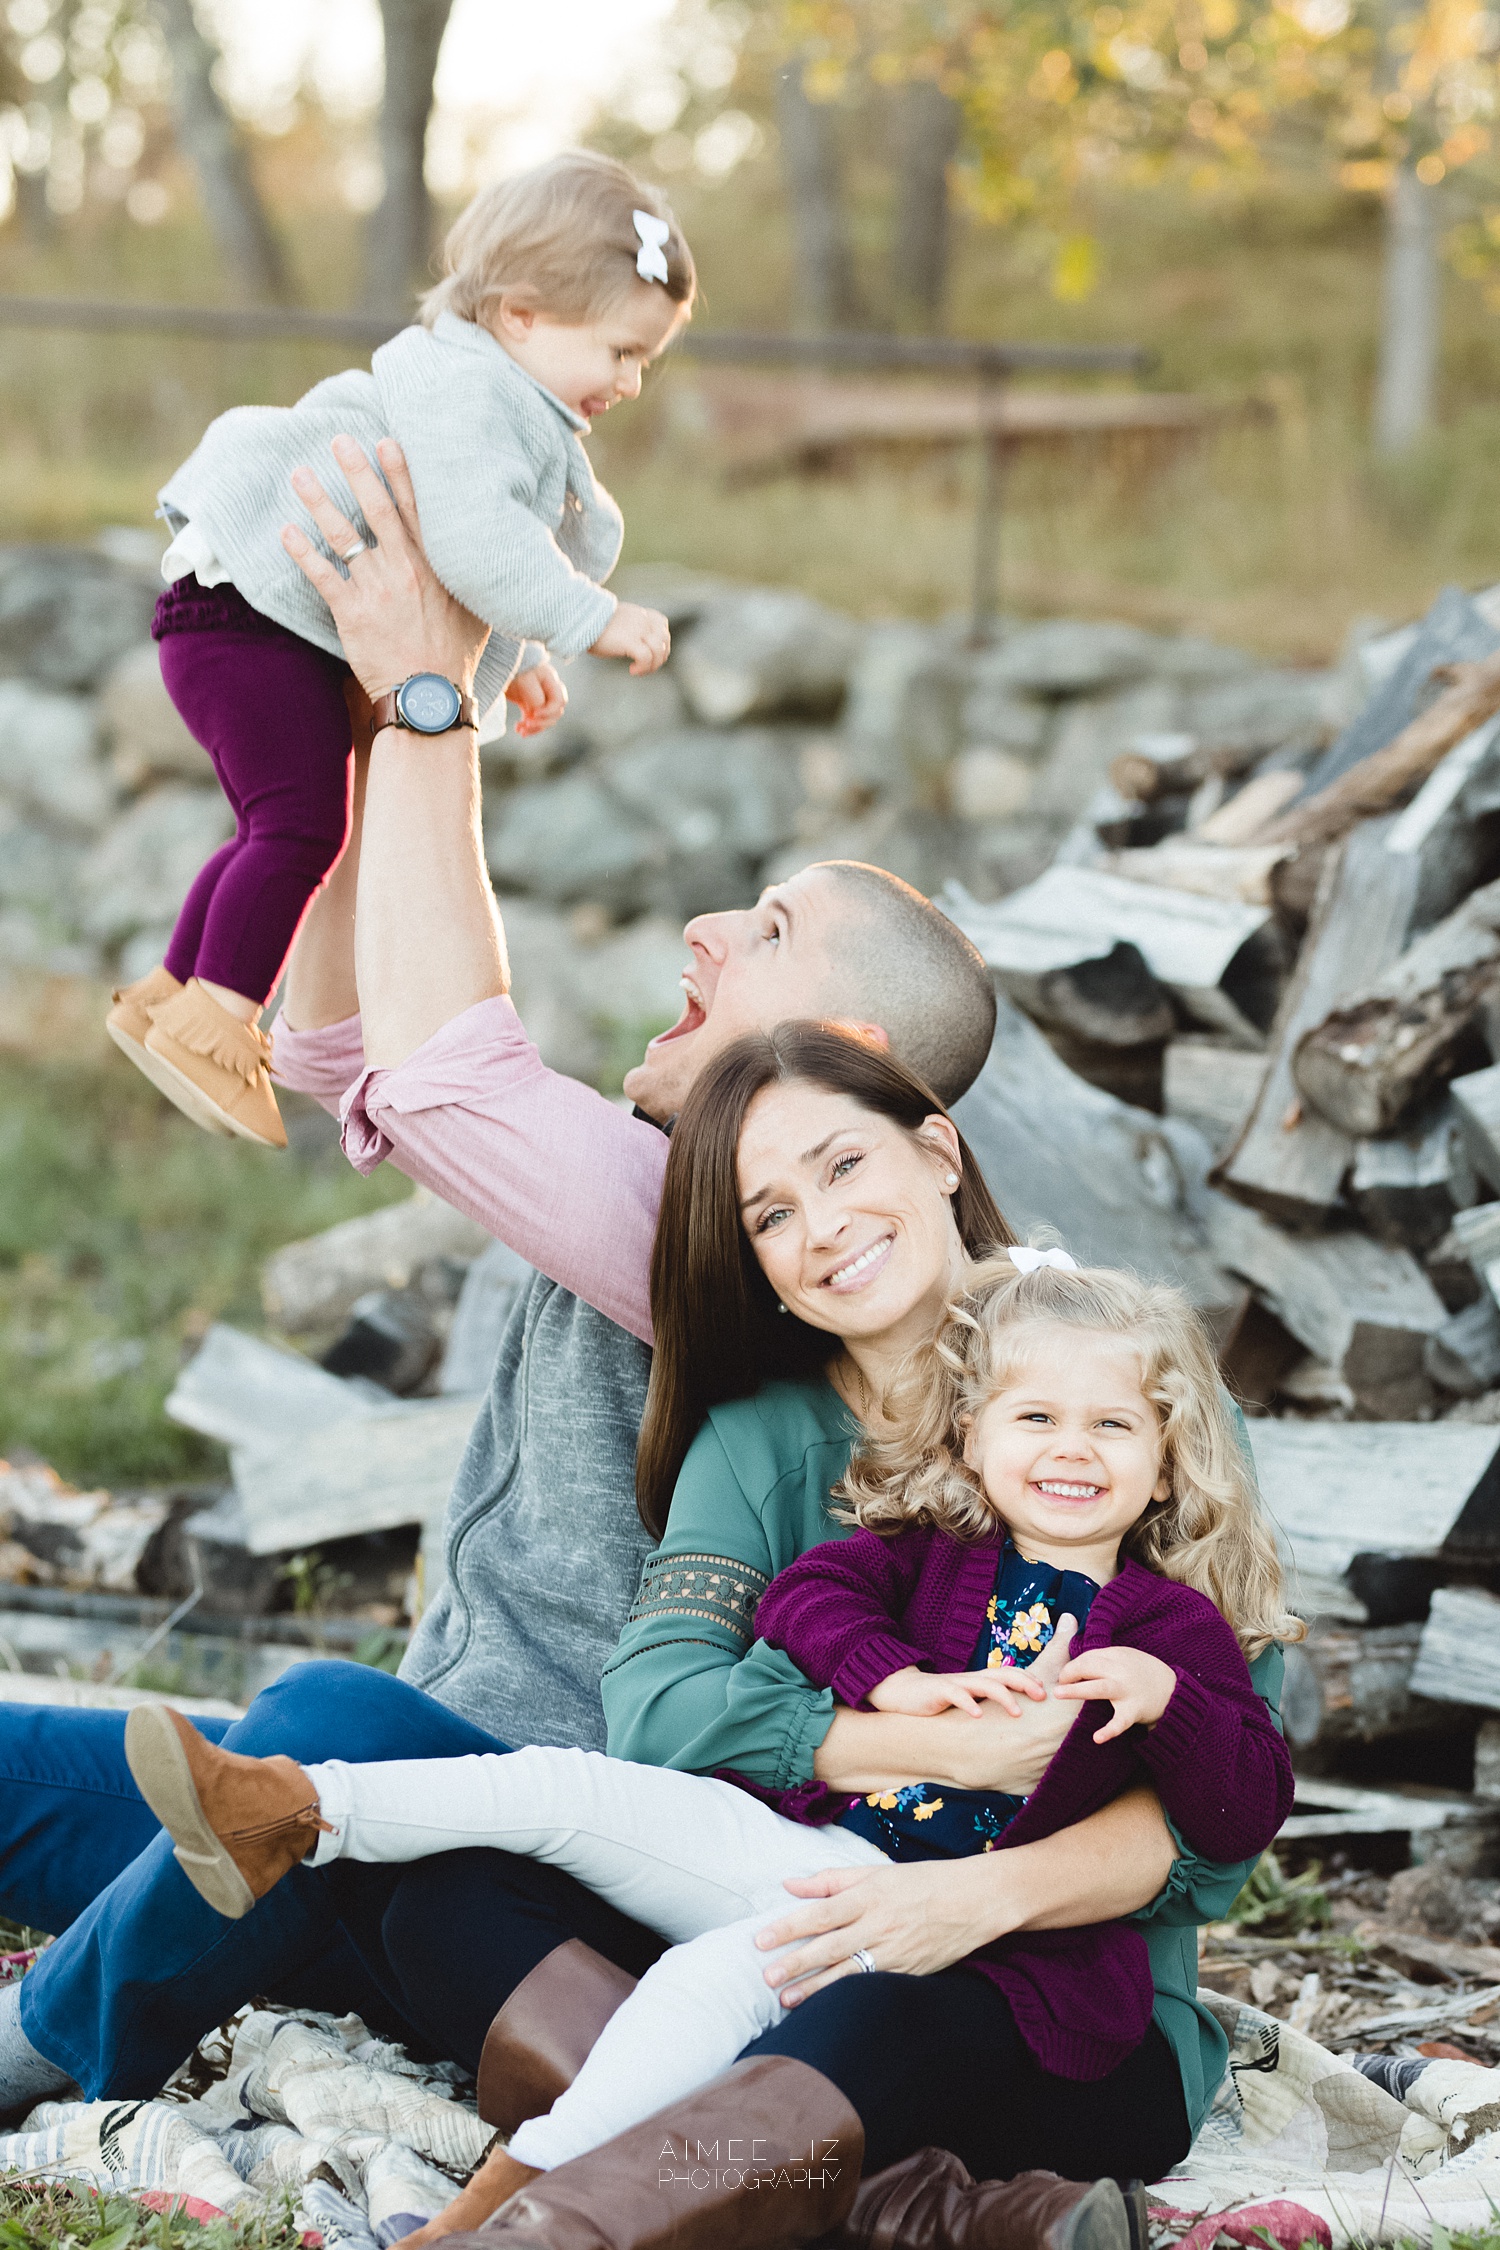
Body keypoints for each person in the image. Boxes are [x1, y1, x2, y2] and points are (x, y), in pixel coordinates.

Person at [0, 457, 1272, 2249]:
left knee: (329, 1761)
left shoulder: (749, 1268)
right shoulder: (726, 1215)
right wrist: (359, 739)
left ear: (850, 1070)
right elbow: (350, 1053)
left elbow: (447, 1077)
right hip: (489, 1783)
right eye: (779, 1198)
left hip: (588, 1843)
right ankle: (850, 2169)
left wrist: (431, 687)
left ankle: (56, 2040)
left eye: (755, 931)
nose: (700, 930)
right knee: (166, 1781)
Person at [125, 1239, 1297, 2239]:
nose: (1070, 1450)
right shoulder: (931, 1556)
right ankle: (292, 1810)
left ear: (1163, 1461)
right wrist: (890, 1687)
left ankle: (519, 2221)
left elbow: (1245, 1804)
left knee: (697, 1991)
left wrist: (1172, 1700)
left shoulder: (1170, 1625)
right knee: (572, 1789)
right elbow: (806, 1603)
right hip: (817, 1860)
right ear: (976, 1438)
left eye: (1111, 1427)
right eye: (1036, 1417)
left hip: (939, 1939)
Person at [107, 151, 689, 1149]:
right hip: (254, 614)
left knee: (269, 827)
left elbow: (465, 558)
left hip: (236, 612)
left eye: (646, 361)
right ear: (521, 316)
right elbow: (474, 539)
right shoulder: (477, 394)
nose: (631, 383)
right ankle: (215, 1026)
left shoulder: (483, 388)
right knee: (300, 832)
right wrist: (585, 617)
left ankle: (166, 997)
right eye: (621, 352)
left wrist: (519, 660)